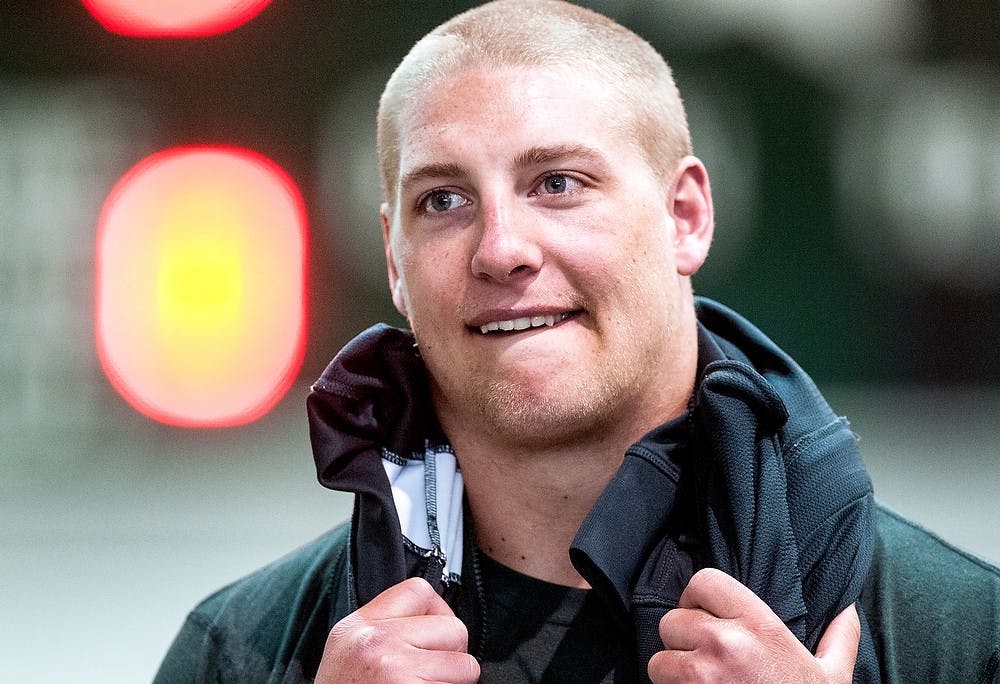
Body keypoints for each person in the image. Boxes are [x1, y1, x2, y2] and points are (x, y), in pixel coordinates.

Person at [155, 1, 1000, 682]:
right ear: (394, 260)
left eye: (557, 184)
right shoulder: (247, 652)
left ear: (686, 217)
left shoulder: (958, 639)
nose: (500, 248)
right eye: (443, 201)